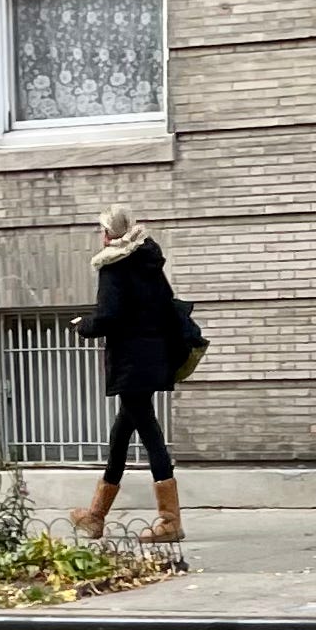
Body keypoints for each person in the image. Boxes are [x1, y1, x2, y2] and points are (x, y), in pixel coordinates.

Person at [72, 207, 186, 542]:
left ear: (108, 233)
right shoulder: (149, 263)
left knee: (149, 432)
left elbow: (110, 316)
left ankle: (170, 521)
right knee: (121, 434)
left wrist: (84, 326)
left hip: (130, 363)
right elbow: (166, 305)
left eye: (102, 230)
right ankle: (96, 516)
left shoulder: (114, 267)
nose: (101, 235)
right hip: (153, 358)